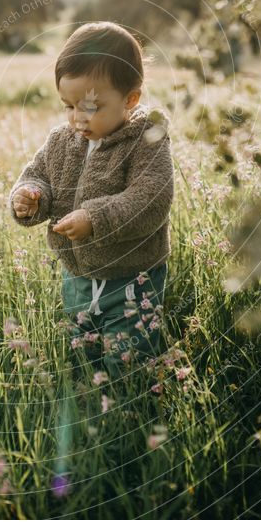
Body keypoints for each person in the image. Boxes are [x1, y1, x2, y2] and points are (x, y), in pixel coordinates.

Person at [9, 21, 174, 379]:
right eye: (67, 106)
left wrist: (95, 219)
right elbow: (39, 175)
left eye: (89, 107)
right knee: (83, 353)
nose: (76, 118)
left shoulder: (147, 141)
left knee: (128, 358)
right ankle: (88, 400)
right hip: (78, 276)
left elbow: (151, 200)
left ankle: (130, 407)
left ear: (130, 99)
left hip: (132, 277)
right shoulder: (62, 140)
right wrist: (31, 197)